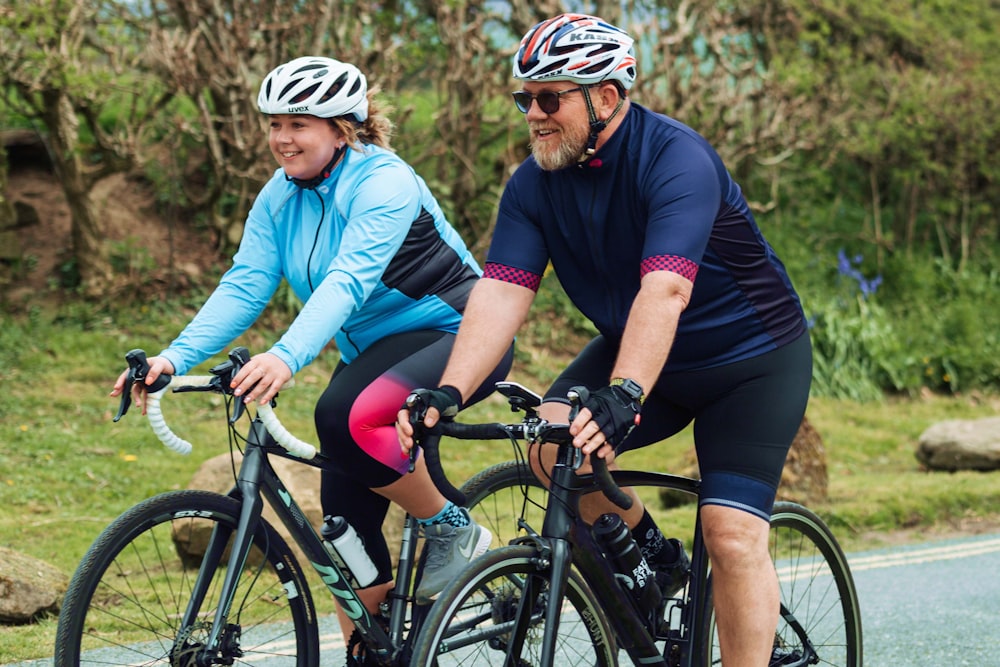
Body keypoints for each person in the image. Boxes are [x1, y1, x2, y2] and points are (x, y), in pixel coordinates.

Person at [397, 13, 812, 666]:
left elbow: (666, 291)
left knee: (729, 535)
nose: (532, 114)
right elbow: (503, 292)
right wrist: (450, 389)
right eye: (523, 98)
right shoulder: (534, 184)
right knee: (548, 448)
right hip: (645, 353)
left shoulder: (676, 160)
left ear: (607, 97)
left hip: (750, 361)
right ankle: (653, 568)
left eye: (549, 98)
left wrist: (624, 390)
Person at [110, 56, 512, 643]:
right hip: (377, 349)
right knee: (344, 529)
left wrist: (285, 357)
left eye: (299, 123)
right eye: (274, 123)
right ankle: (370, 650)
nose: (281, 138)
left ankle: (452, 528)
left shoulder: (385, 183)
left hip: (456, 332)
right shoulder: (280, 195)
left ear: (342, 128)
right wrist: (174, 357)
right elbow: (246, 282)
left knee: (339, 414)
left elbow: (348, 280)